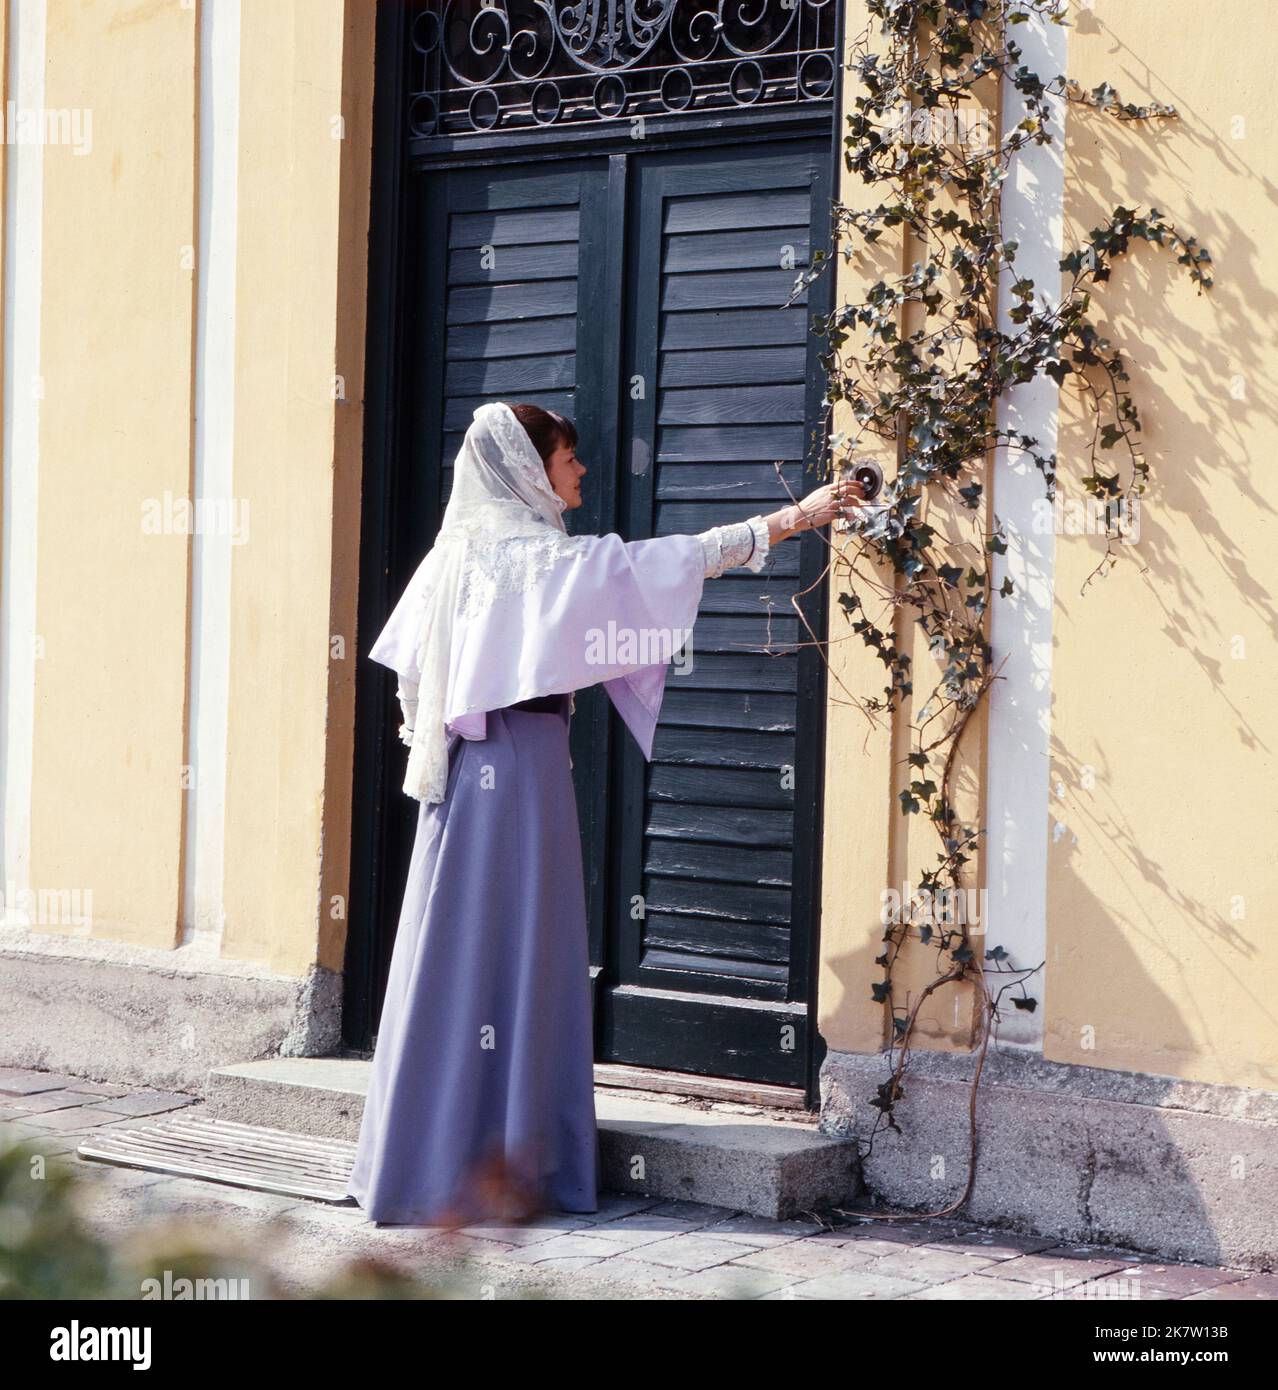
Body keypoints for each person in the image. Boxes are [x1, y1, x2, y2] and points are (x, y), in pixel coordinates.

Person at [345, 400, 865, 1227]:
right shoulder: (535, 563)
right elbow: (675, 562)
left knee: (459, 948)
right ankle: (511, 1166)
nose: (581, 471)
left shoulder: (458, 559)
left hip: (468, 782)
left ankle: (428, 1161)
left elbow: (417, 677)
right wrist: (792, 520)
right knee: (522, 948)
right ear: (528, 471)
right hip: (519, 772)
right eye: (568, 459)